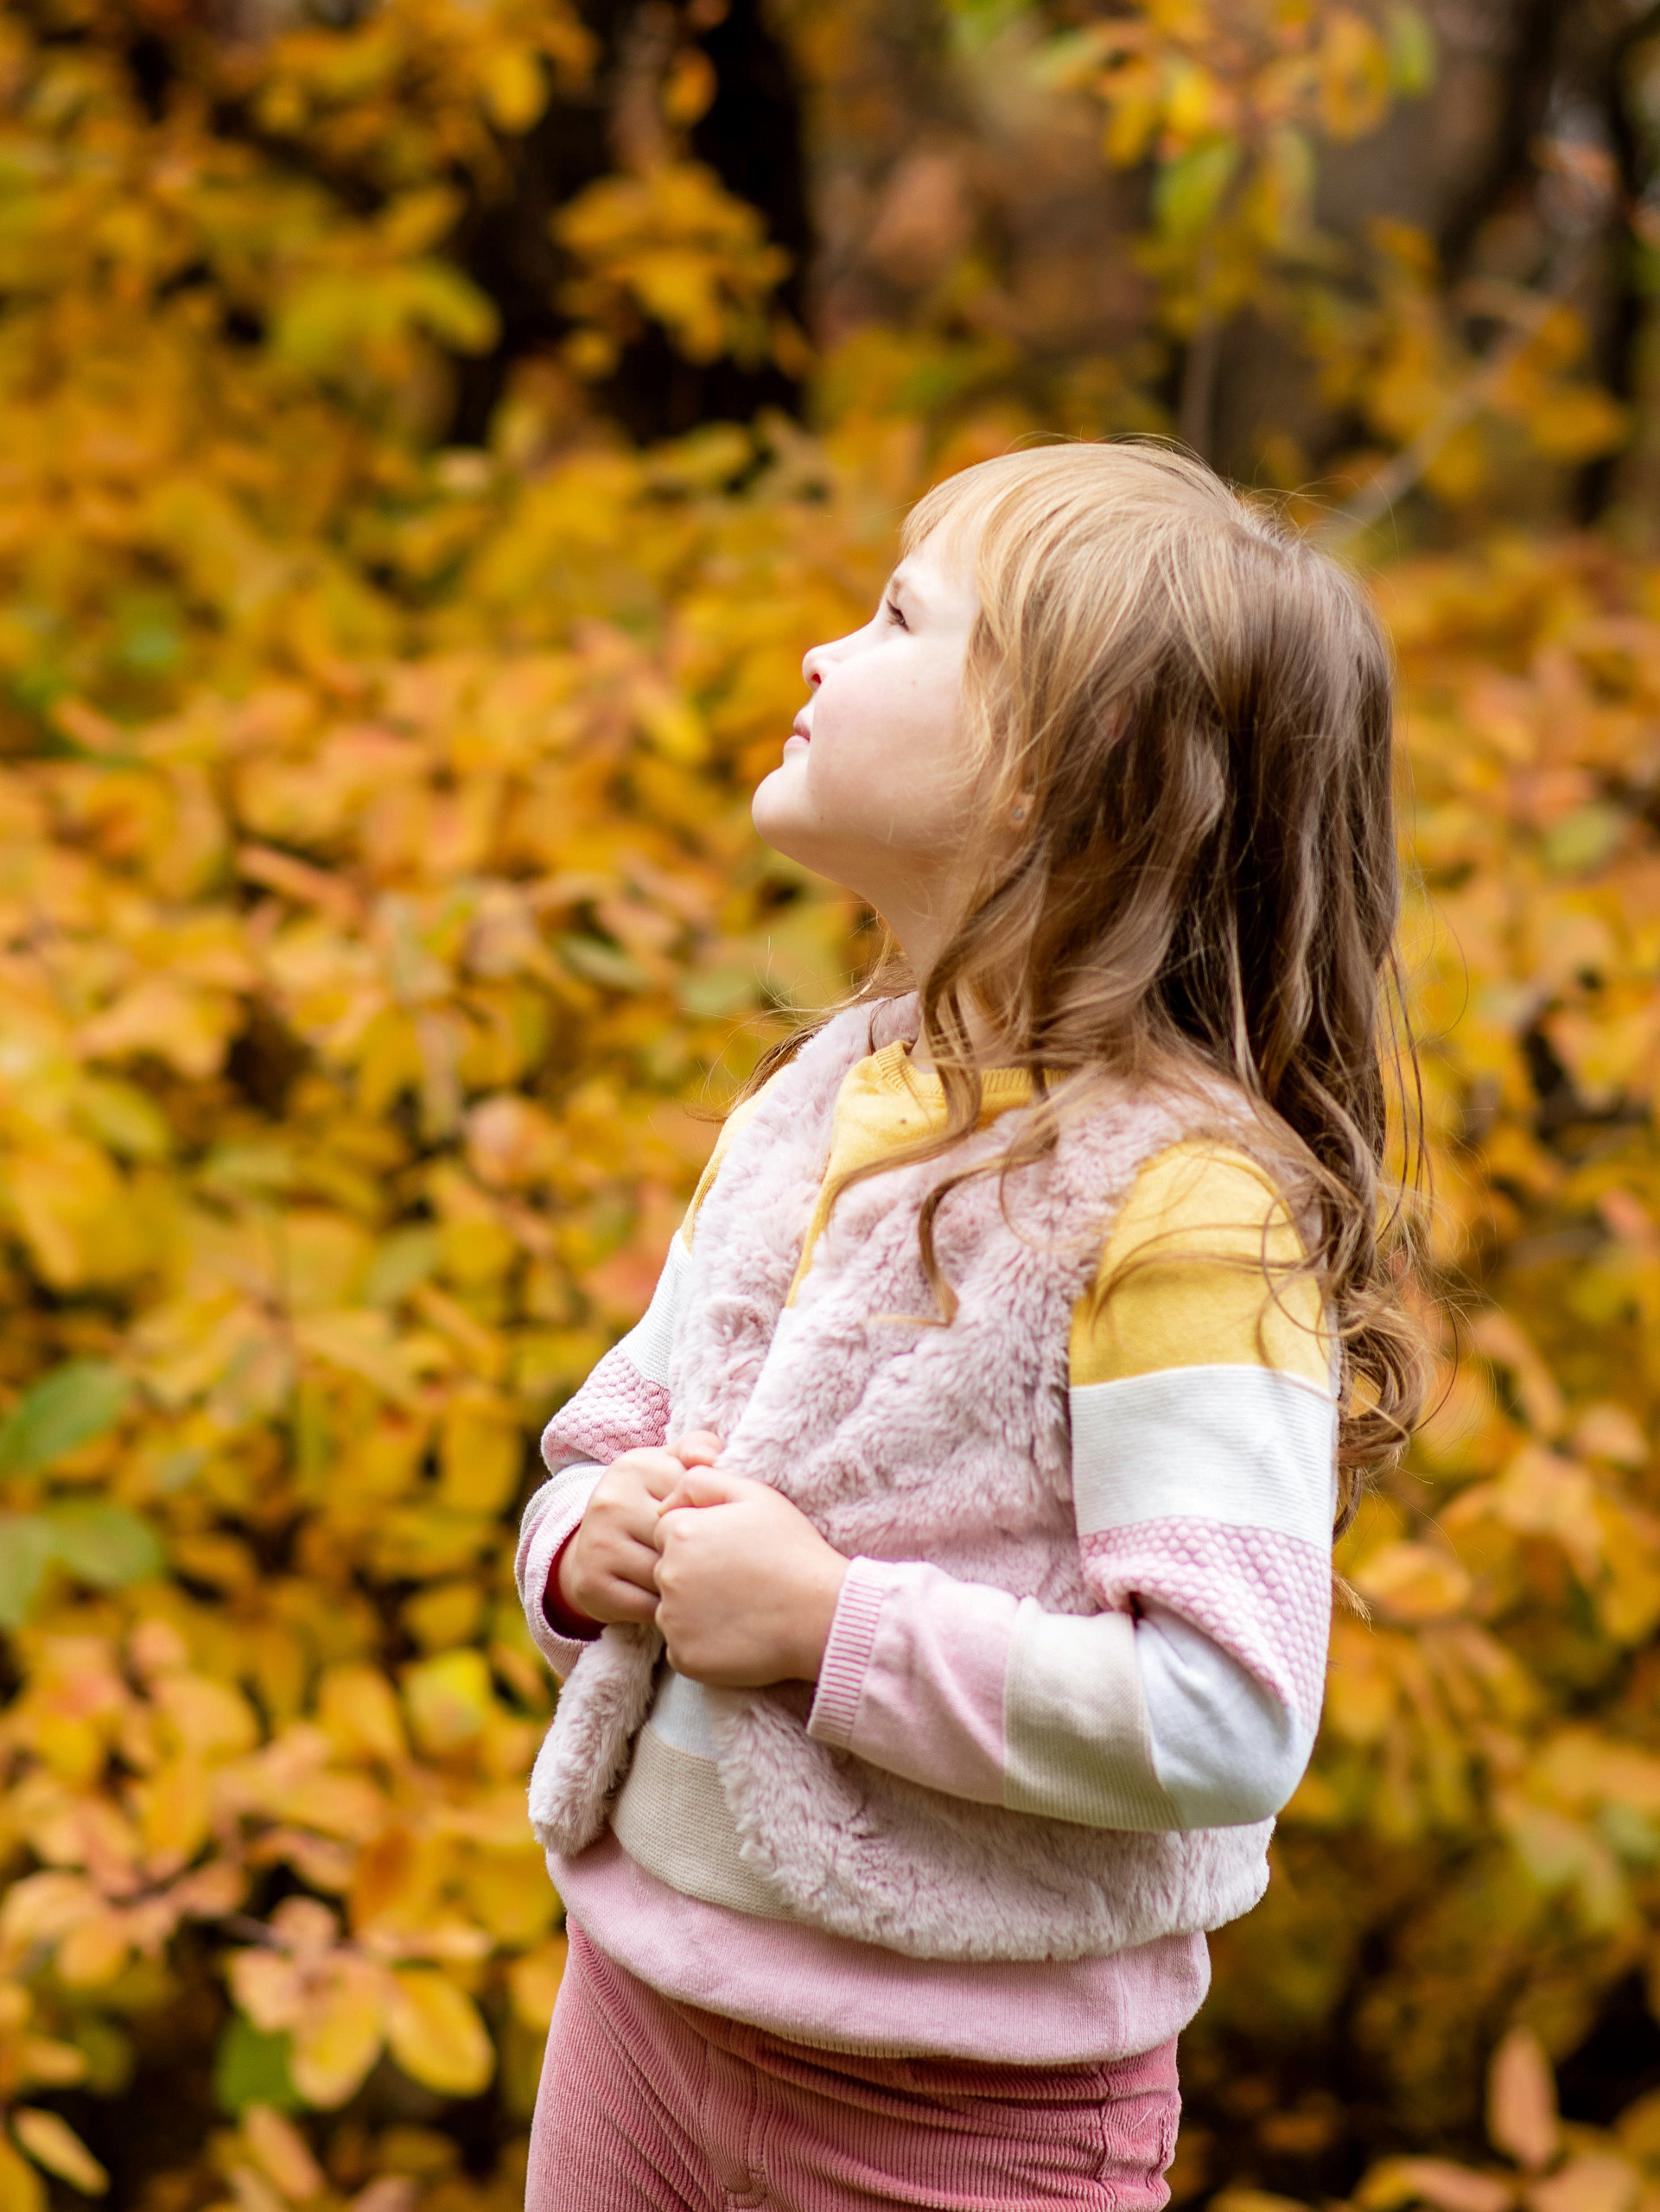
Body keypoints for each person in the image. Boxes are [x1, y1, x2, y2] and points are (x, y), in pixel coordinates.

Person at [515, 442, 1426, 2212]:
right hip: (636, 2011)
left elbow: (1226, 1712)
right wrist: (586, 1547)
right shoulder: (813, 1099)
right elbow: (611, 1433)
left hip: (961, 2114)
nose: (820, 656)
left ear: (1055, 783)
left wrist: (821, 1622)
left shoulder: (1178, 1207)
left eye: (896, 617)